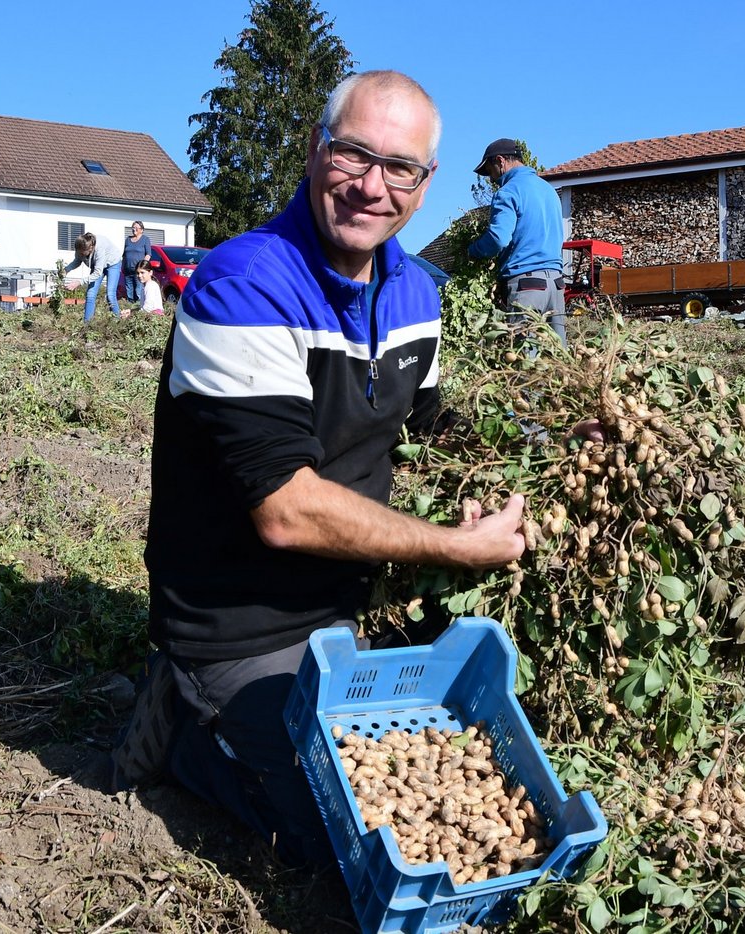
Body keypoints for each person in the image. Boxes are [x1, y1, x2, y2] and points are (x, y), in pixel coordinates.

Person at [109, 70, 527, 868]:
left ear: (426, 182)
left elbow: (427, 425)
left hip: (355, 589)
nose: (373, 187)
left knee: (457, 774)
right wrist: (450, 547)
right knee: (336, 835)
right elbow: (284, 508)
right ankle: (183, 730)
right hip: (240, 619)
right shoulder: (245, 285)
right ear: (314, 150)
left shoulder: (415, 291)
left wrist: (535, 443)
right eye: (353, 156)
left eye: (400, 167)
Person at [467, 138, 567, 348]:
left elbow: (498, 238)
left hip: (527, 286)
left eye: (490, 171)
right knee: (558, 357)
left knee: (524, 360)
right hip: (556, 284)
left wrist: (474, 250)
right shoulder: (548, 190)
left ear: (500, 161)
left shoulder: (508, 192)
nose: (492, 179)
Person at [65, 231, 126, 322]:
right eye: (79, 253)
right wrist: (66, 270)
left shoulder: (99, 247)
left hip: (113, 264)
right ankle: (87, 324)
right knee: (90, 294)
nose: (81, 255)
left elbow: (97, 273)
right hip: (97, 266)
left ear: (91, 248)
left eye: (82, 253)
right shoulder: (80, 246)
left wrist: (79, 282)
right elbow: (77, 261)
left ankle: (117, 322)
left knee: (110, 294)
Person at [123, 221, 153, 305]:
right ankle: (130, 311)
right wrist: (123, 266)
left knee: (138, 292)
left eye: (136, 227)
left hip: (138, 271)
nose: (134, 229)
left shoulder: (145, 239)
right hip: (127, 271)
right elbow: (124, 254)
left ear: (142, 230)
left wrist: (143, 266)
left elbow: (148, 254)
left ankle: (139, 310)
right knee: (129, 294)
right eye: (133, 227)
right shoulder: (128, 239)